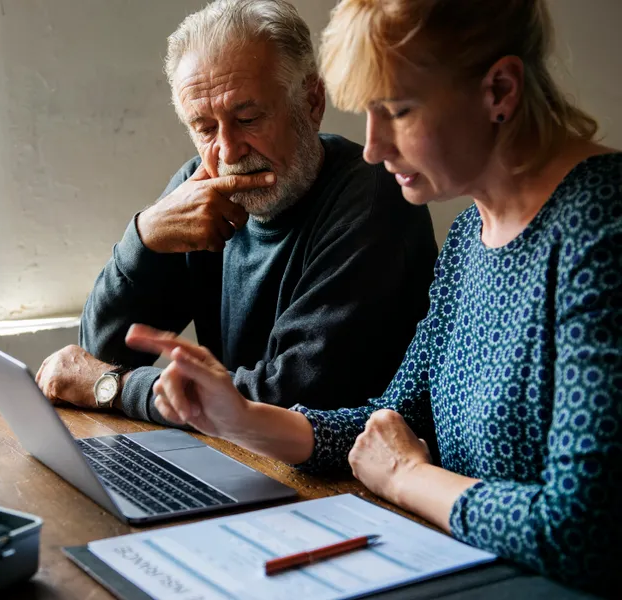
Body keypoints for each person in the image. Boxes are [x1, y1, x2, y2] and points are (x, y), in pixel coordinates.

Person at [126, 0, 622, 593]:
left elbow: (583, 531)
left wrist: (410, 478)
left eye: (398, 111)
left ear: (500, 90)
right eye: (367, 113)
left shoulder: (605, 230)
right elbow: (392, 420)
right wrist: (240, 418)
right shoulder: (471, 234)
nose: (372, 147)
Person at [36, 0, 438, 425]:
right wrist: (144, 236)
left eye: (247, 118)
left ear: (312, 102)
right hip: (239, 457)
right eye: (205, 128)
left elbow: (287, 400)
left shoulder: (374, 199)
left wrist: (115, 388)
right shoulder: (201, 187)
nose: (228, 151)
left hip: (343, 477)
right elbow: (101, 351)